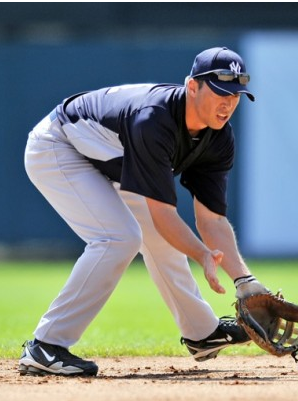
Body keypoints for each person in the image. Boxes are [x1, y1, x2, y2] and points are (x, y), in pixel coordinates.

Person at [18, 47, 269, 376]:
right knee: (118, 238)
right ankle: (46, 345)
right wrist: (202, 255)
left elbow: (212, 219)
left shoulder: (219, 138)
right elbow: (163, 216)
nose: (228, 103)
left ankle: (202, 334)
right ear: (192, 87)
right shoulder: (154, 119)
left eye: (236, 94)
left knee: (160, 241)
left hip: (111, 161)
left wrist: (244, 281)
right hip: (58, 146)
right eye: (221, 92)